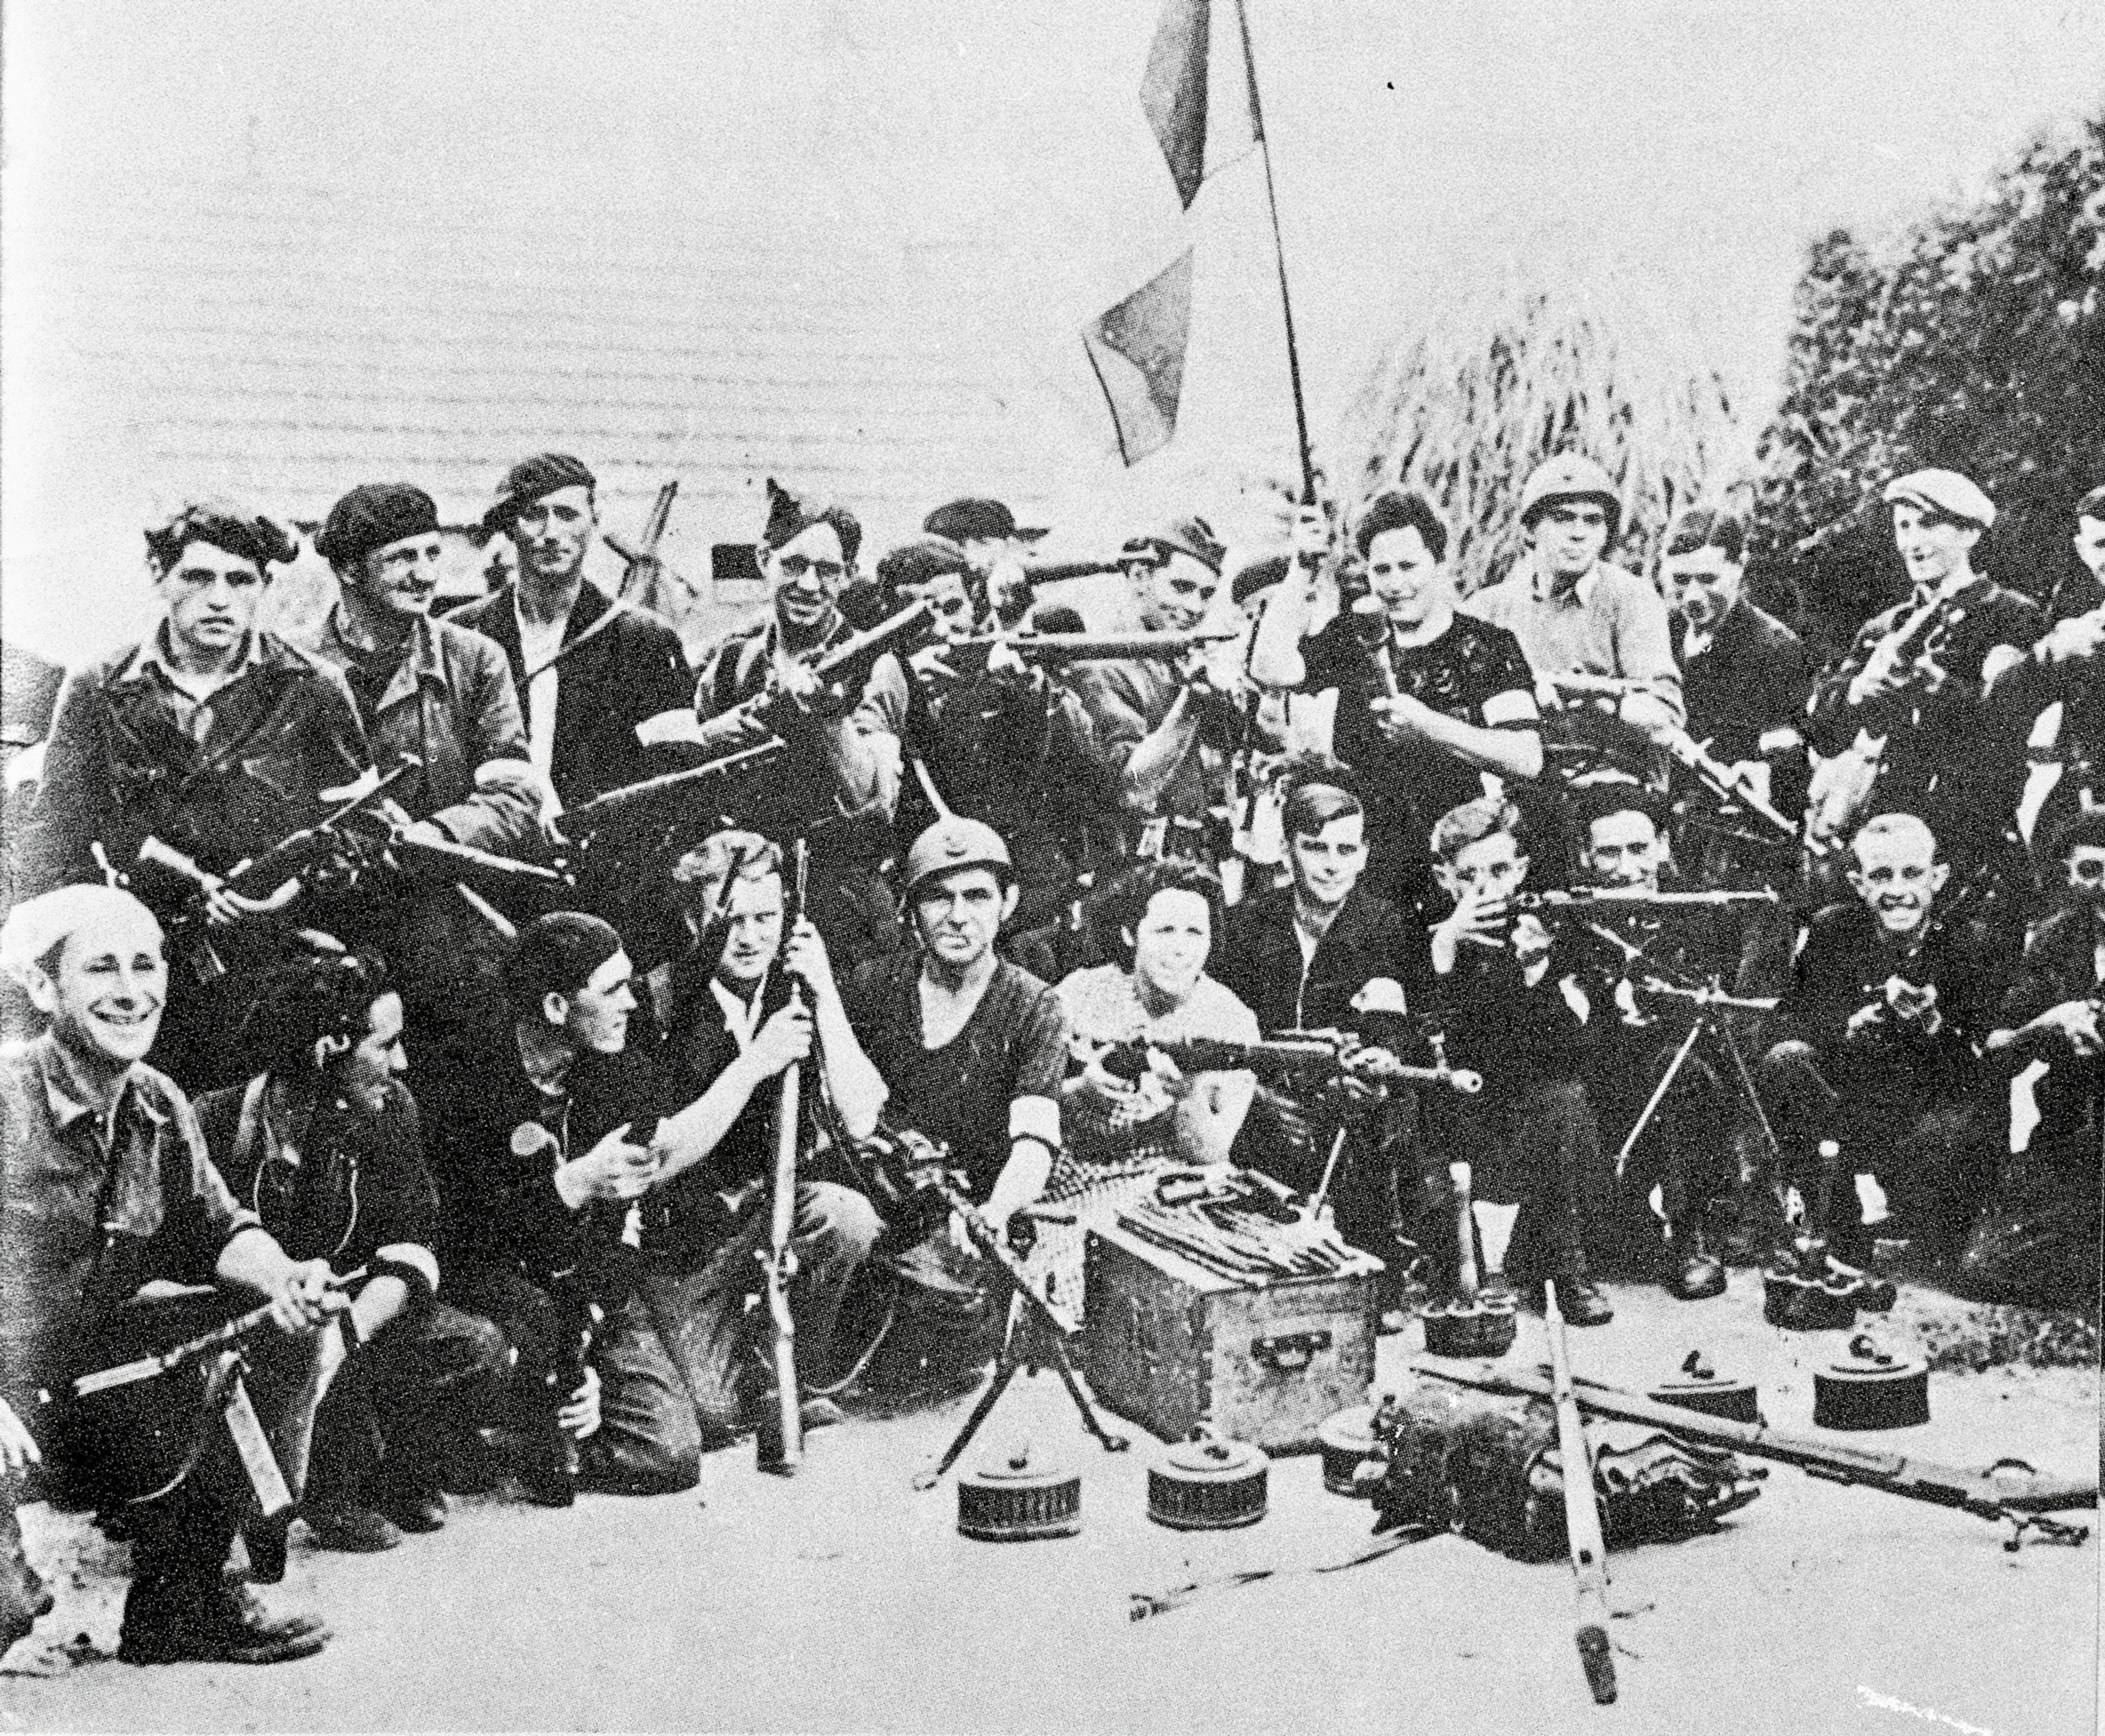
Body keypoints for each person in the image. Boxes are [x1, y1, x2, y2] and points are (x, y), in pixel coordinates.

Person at [0, 886, 341, 1665]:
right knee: (4, 1615)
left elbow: (218, 1228)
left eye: (146, 964)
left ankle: (183, 1605)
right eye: (102, 968)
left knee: (261, 1321)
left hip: (77, 1383)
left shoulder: (156, 1101)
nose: (131, 991)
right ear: (45, 987)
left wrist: (285, 1276)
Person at [23, 503, 371, 1087]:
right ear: (160, 577)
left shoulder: (313, 689)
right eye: (198, 577)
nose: (220, 600)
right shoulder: (101, 689)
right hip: (135, 974)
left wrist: (282, 891)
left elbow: (354, 834)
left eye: (241, 581)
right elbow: (52, 843)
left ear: (264, 587)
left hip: (271, 970)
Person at [194, 950, 507, 1556]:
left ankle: (369, 1474)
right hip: (248, 1329)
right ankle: (259, 1489)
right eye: (385, 1046)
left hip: (344, 1321)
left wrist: (341, 1341)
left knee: (476, 1348)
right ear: (325, 1050)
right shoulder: (214, 1121)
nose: (402, 1063)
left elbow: (412, 1245)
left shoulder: (392, 1114)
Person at [641, 836, 887, 1437]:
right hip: (682, 1245)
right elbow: (655, 1160)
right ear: (692, 921)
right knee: (714, 1416)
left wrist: (825, 990)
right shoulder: (658, 1002)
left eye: (767, 918)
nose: (750, 938)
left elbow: (863, 1116)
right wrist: (755, 1061)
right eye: (731, 921)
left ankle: (788, 1377)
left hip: (767, 1210)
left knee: (846, 1217)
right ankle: (743, 1372)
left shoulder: (795, 987)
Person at [301, 482, 545, 1049]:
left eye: (431, 553)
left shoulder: (474, 660)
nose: (423, 574)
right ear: (349, 570)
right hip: (330, 937)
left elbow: (514, 797)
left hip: (450, 939)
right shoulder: (294, 668)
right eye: (401, 557)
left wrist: (431, 835)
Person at [839, 817, 1068, 1391]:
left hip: (963, 1224)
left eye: (977, 896)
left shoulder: (1033, 1006)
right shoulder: (872, 989)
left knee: (952, 1330)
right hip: (871, 1214)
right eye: (938, 897)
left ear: (1008, 903)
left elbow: (1035, 1141)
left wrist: (996, 1211)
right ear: (911, 911)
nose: (958, 916)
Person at [1250, 488, 1543, 910]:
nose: (1396, 584)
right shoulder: (1352, 638)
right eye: (1381, 569)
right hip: (1368, 866)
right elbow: (1270, 669)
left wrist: (1429, 727)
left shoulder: (1486, 645)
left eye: (1408, 566)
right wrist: (1303, 568)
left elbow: (1526, 757)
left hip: (1457, 861)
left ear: (1439, 564)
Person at [1211, 769, 1442, 1301]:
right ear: (1288, 851)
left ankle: (1376, 1270)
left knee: (1375, 1116)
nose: (1332, 864)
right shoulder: (1246, 925)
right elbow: (1221, 1019)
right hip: (1262, 1090)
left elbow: (1394, 1013)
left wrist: (1380, 1057)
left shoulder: (1387, 924)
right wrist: (1259, 1092)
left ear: (1364, 855)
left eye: (1345, 849)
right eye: (1315, 848)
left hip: (1347, 1089)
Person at [1562, 783, 1785, 1296]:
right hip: (1593, 1074)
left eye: (1639, 848)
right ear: (1584, 855)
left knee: (1685, 1071)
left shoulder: (1701, 914)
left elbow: (1724, 1020)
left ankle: (1693, 1234)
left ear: (1663, 845)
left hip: (1677, 1074)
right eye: (1609, 852)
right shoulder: (1570, 919)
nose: (1625, 867)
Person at [1760, 813, 2003, 1267]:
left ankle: (1939, 1221)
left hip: (1924, 1110)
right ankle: (1834, 1220)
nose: (1897, 890)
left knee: (1944, 1254)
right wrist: (1845, 1026)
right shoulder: (1833, 930)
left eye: (1912, 874)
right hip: (1850, 1102)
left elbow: (1985, 1062)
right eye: (1881, 875)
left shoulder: (1969, 944)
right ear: (1858, 882)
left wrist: (1933, 1024)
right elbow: (1785, 1020)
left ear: (1938, 878)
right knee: (1785, 1062)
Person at [689, 480, 909, 967]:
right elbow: (689, 764)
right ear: (764, 559)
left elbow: (873, 799)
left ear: (849, 576)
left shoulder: (874, 665)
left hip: (842, 907)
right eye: (794, 565)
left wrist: (827, 719)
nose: (810, 585)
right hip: (744, 902)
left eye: (828, 571)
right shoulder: (731, 660)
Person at [1418, 797, 1614, 1324]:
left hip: (1530, 1126)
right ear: (1444, 878)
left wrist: (1535, 974)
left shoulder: (1549, 936)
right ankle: (1455, 1264)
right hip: (1459, 1116)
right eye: (1468, 876)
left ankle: (1568, 1267)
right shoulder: (1429, 939)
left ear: (1522, 871)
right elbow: (1425, 1038)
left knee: (1563, 1099)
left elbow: (1575, 1053)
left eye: (1501, 870)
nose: (1486, 889)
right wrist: (1445, 953)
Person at [1036, 860, 1259, 1316]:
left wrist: (1188, 1094)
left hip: (1174, 1187)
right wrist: (1081, 1090)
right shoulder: (1079, 995)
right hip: (1075, 1180)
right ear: (1130, 933)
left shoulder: (1230, 1020)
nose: (1180, 949)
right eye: (1165, 931)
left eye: (1195, 933)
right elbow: (1027, 1101)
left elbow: (1211, 1151)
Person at [1806, 470, 2041, 869]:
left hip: (1969, 833)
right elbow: (1821, 729)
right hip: (1880, 833)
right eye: (1904, 527)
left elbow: (2017, 725)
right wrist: (1858, 689)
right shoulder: (1882, 629)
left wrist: (1943, 690)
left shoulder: (2012, 616)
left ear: (1969, 534)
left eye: (1930, 525)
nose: (1913, 543)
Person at [880, 536, 1100, 937]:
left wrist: (1026, 688)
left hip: (1033, 895)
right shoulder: (892, 688)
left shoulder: (1011, 674)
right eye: (920, 619)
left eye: (952, 608)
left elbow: (1089, 775)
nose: (943, 630)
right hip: (944, 894)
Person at [450, 453, 693, 812]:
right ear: (510, 528)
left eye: (567, 515)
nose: (551, 533)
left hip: (602, 850)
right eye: (533, 515)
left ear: (594, 522)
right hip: (485, 846)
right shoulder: (463, 634)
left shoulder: (645, 639)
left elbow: (679, 770)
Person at [1962, 807, 2105, 1304]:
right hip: (2073, 1137)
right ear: (2068, 874)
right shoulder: (2056, 939)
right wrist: (2051, 1021)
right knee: (1987, 1266)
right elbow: (1997, 1049)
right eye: (2092, 871)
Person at [1068, 517, 1249, 863]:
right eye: (1181, 588)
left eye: (1206, 594)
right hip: (1138, 866)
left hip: (1207, 856)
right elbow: (1132, 788)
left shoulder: (1184, 658)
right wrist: (1195, 699)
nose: (1196, 607)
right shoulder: (1101, 663)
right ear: (1140, 578)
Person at [1465, 454, 1684, 735]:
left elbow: (1663, 711)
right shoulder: (1489, 609)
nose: (1578, 533)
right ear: (1530, 531)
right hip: (1515, 768)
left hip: (1609, 769)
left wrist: (1585, 697)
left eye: (1593, 521)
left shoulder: (1631, 598)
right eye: (1563, 519)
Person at [1658, 506, 1814, 875]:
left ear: (1739, 568)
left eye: (1708, 579)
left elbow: (1795, 748)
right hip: (1673, 824)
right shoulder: (1661, 635)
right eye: (1681, 580)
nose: (1693, 596)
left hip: (1743, 839)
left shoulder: (1774, 647)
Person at [1989, 482, 2105, 862]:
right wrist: (2023, 662)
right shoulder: (2073, 640)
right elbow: (1998, 707)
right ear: (2082, 551)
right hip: (2090, 811)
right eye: (2102, 546)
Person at [922, 496, 1048, 632]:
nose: (969, 554)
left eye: (982, 542)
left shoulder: (1018, 575)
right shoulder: (953, 586)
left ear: (1010, 543)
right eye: (956, 547)